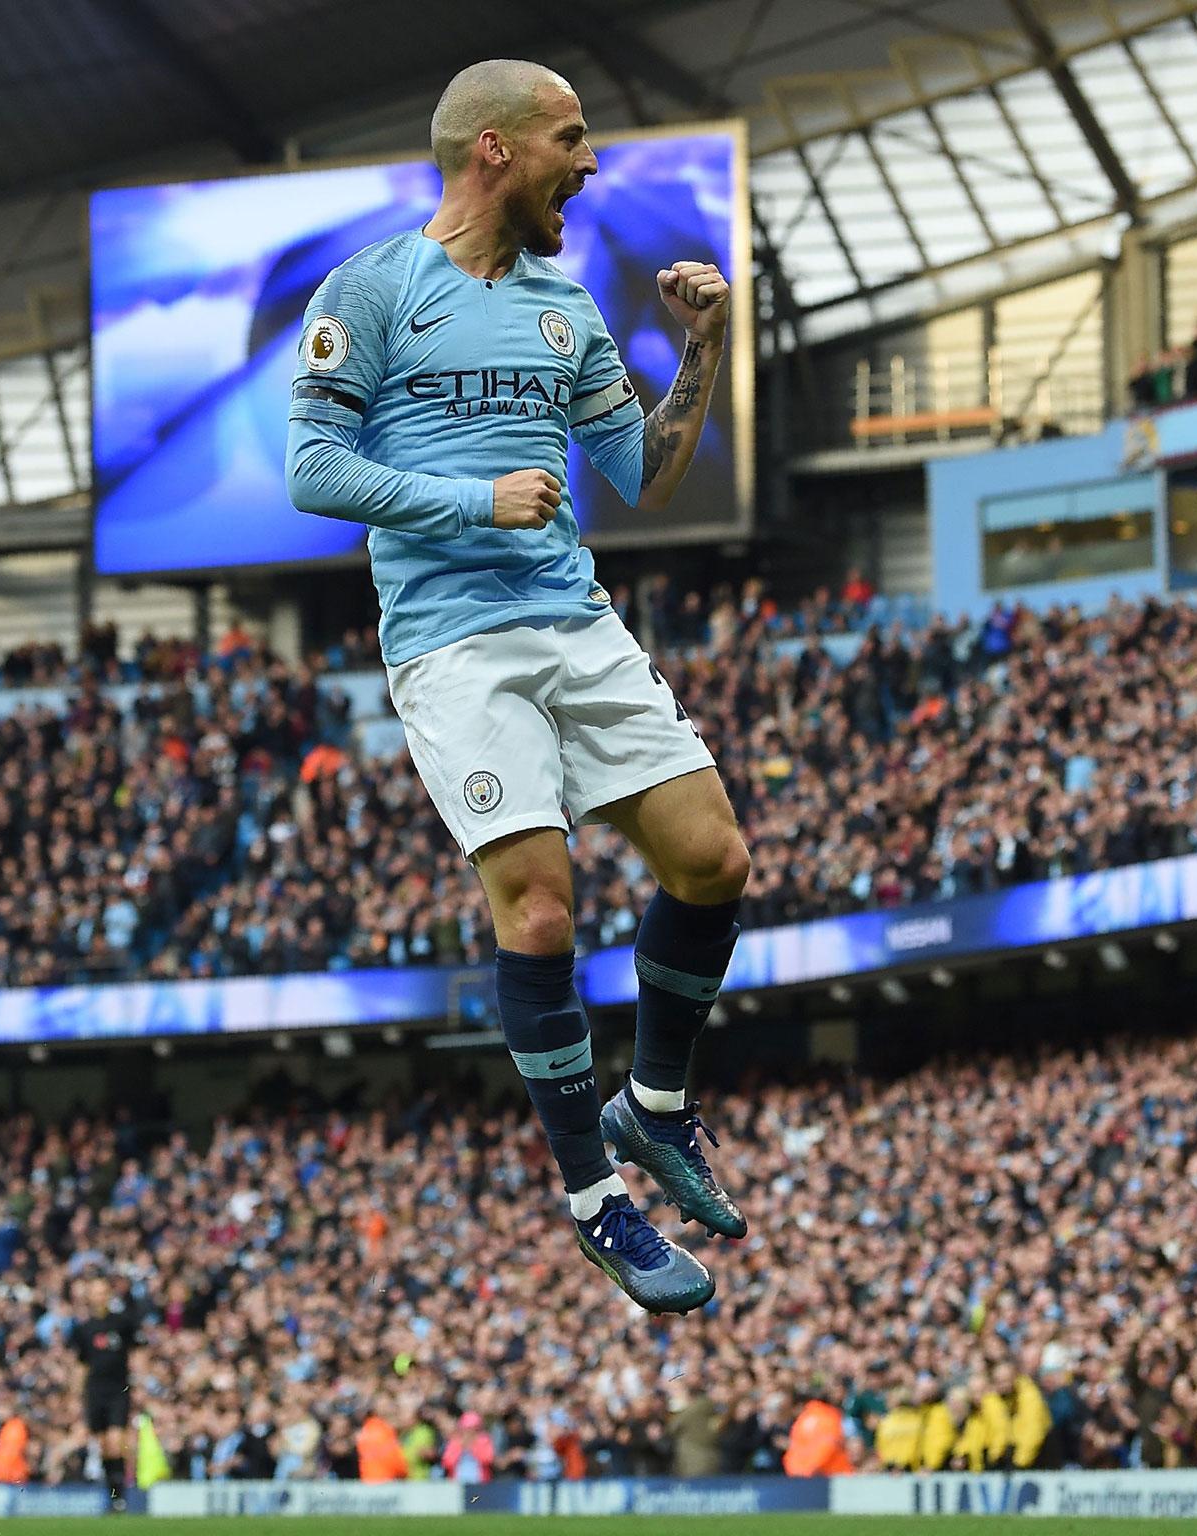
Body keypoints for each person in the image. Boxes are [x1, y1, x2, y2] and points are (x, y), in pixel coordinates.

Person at [285, 58, 749, 1314]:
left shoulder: (566, 306)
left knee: (713, 860)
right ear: (494, 149)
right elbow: (313, 471)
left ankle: (653, 1107)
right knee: (538, 910)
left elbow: (643, 473)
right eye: (570, 137)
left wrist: (700, 351)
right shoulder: (373, 289)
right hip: (451, 639)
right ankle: (594, 1195)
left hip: (573, 620)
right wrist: (468, 499)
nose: (588, 160)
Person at [69, 1276, 147, 1512]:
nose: (100, 1296)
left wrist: (141, 1383)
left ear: (108, 1295)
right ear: (89, 1297)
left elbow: (137, 1353)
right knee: (102, 1446)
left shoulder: (122, 1323)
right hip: (95, 1391)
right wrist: (75, 1395)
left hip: (118, 1390)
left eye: (103, 1291)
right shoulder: (84, 1329)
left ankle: (119, 1496)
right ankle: (112, 1496)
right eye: (95, 1292)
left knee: (116, 1443)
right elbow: (81, 1365)